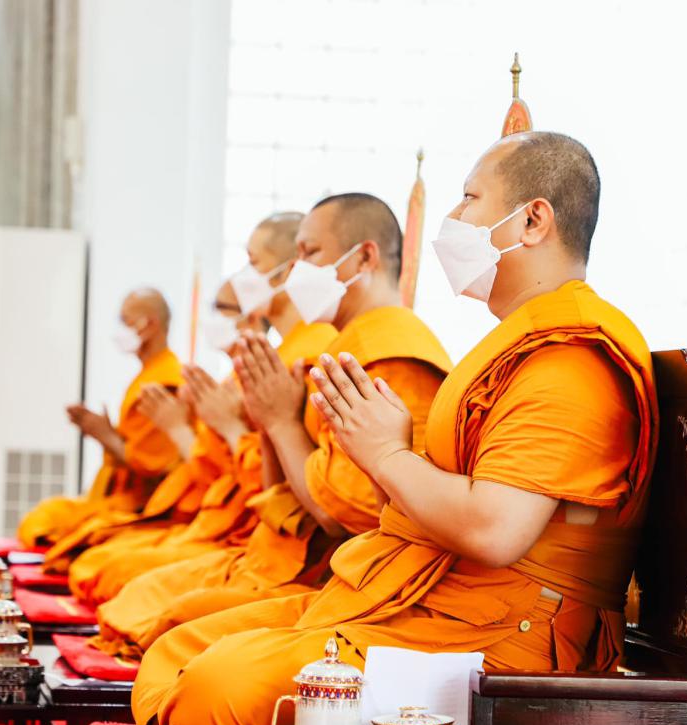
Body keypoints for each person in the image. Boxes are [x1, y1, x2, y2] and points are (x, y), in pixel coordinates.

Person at [130, 132, 659, 725]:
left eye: (469, 199)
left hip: (501, 645)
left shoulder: (570, 359)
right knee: (179, 646)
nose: (453, 218)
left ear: (533, 220)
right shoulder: (518, 343)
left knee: (218, 686)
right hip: (425, 601)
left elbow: (495, 530)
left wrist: (384, 455)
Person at [90, 192, 453, 659]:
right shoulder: (342, 348)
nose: (297, 270)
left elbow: (347, 514)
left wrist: (273, 424)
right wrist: (267, 425)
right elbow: (276, 489)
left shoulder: (389, 357)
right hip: (266, 546)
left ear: (365, 257)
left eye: (310, 253)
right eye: (295, 255)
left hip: (337, 576)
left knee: (168, 625)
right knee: (127, 593)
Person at [18, 288, 183, 567]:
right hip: (119, 498)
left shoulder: (166, 382)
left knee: (57, 532)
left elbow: (155, 467)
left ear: (151, 325)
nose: (120, 328)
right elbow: (139, 446)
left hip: (142, 506)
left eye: (125, 320)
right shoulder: (150, 373)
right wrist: (103, 431)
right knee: (42, 518)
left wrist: (105, 435)